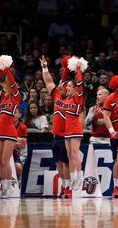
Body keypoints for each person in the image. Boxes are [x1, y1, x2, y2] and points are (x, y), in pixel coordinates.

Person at [40, 55, 71, 198]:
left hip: (67, 136)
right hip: (56, 135)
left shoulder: (73, 99)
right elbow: (48, 81)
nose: (58, 85)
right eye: (59, 84)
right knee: (58, 162)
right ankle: (64, 186)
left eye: (62, 85)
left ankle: (68, 188)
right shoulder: (56, 94)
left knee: (66, 163)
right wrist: (45, 67)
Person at [0, 64, 21, 197]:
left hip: (9, 132)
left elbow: (12, 83)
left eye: (6, 84)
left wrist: (6, 69)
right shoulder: (1, 99)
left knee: (4, 161)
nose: (4, 85)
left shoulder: (15, 97)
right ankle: (4, 185)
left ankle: (8, 187)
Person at [63, 59, 84, 191]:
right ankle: (73, 178)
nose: (67, 88)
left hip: (75, 128)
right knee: (69, 154)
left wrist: (77, 69)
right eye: (67, 86)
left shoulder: (78, 97)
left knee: (75, 154)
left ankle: (79, 177)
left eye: (70, 86)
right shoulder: (68, 98)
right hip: (67, 129)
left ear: (75, 89)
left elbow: (80, 83)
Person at [13, 107, 27, 182]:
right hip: (2, 153)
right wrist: (17, 140)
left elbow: (22, 144)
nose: (13, 114)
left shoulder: (23, 127)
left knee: (18, 167)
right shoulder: (4, 125)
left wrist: (9, 141)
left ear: (20, 115)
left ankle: (17, 184)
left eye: (15, 112)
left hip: (15, 155)